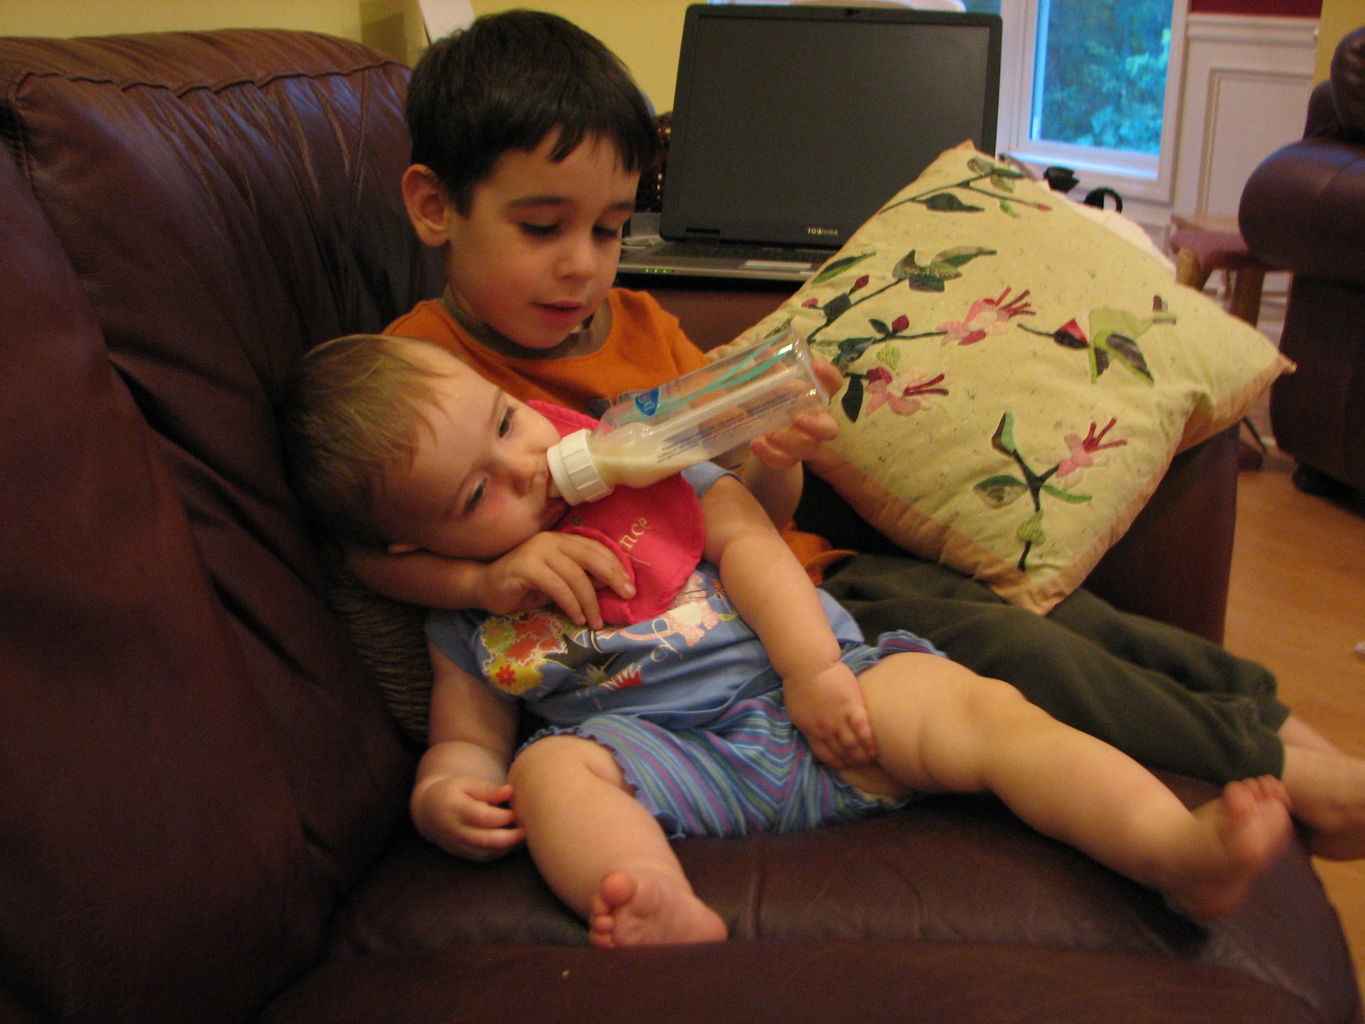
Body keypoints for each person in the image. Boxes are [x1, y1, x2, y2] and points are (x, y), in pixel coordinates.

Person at [359, 9, 1365, 859]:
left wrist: (773, 459)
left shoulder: (645, 330)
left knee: (1077, 623)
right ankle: (1270, 766)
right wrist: (482, 580)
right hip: (720, 646)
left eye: (612, 227)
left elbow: (746, 503)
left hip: (805, 579)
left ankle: (1280, 724)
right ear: (435, 206)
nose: (583, 266)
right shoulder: (422, 375)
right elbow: (364, 540)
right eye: (543, 229)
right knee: (1021, 651)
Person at [279, 331, 1295, 946]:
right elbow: (468, 732)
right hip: (666, 760)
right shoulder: (472, 612)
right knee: (553, 775)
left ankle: (1172, 848)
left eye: (508, 423)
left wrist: (813, 671)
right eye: (476, 492)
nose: (527, 469)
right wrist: (442, 786)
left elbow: (757, 549)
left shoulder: (643, 468)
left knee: (986, 709)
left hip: (823, 700)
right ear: (422, 542)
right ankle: (661, 906)